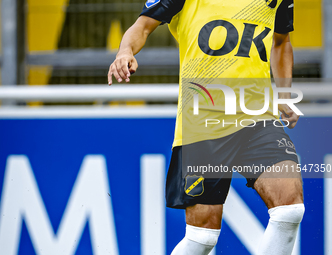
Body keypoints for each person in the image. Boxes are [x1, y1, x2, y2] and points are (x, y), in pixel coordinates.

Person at [108, 0, 305, 254]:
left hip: (258, 118)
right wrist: (125, 51)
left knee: (290, 210)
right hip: (203, 124)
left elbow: (281, 41)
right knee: (203, 238)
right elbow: (142, 26)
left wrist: (284, 93)